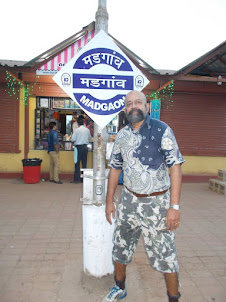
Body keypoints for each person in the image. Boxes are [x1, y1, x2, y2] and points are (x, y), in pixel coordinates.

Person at [103, 90, 185, 302]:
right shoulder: (122, 135)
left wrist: (174, 207)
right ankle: (119, 287)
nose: (134, 106)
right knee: (120, 246)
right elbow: (115, 169)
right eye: (129, 104)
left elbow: (175, 167)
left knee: (166, 255)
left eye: (138, 102)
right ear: (125, 109)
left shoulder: (161, 130)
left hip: (157, 204)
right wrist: (109, 201)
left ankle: (173, 298)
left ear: (146, 105)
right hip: (129, 201)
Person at [71, 117, 91, 183]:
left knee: (77, 163)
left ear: (78, 123)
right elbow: (89, 137)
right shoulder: (87, 130)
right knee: (84, 163)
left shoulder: (77, 130)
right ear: (83, 123)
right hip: (85, 147)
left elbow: (73, 139)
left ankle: (76, 179)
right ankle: (83, 179)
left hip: (78, 148)